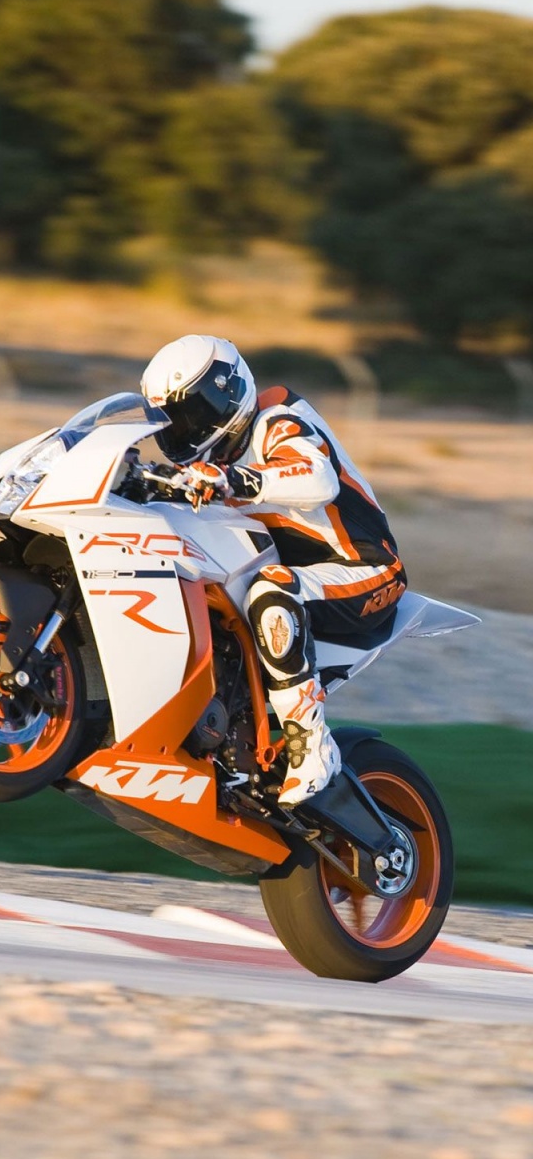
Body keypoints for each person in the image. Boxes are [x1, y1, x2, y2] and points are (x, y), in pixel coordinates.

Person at [140, 334, 406, 809]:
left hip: (365, 571)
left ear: (226, 394)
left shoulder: (278, 420)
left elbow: (316, 479)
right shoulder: (209, 466)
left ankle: (311, 743)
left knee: (270, 590)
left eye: (193, 415)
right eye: (174, 423)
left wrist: (233, 480)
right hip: (305, 576)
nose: (186, 431)